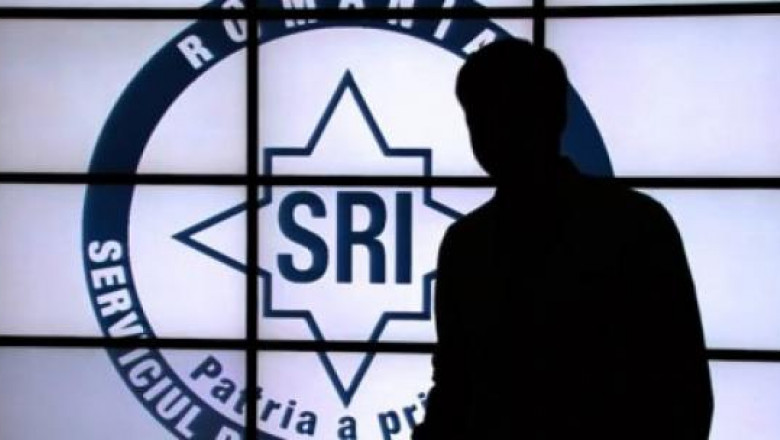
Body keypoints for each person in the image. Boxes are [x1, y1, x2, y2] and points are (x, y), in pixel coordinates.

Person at [412, 38, 714, 439]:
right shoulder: (636, 223)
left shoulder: (467, 244)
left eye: (503, 116)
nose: (493, 133)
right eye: (481, 118)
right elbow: (684, 390)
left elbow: (455, 389)